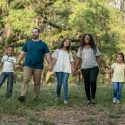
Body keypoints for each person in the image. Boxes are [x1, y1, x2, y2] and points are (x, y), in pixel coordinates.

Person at [16, 28, 52, 102]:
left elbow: (47, 55)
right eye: (32, 32)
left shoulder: (43, 44)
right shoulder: (27, 43)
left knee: (37, 82)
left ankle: (36, 97)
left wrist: (50, 64)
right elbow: (22, 53)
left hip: (38, 66)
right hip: (27, 65)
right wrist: (17, 62)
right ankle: (23, 96)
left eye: (35, 32)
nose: (34, 33)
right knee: (26, 80)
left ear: (39, 33)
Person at [74, 34, 101, 105]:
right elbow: (78, 59)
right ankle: (88, 99)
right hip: (84, 67)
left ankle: (93, 98)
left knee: (93, 80)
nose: (87, 39)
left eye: (89, 38)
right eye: (86, 38)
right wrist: (75, 69)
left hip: (94, 66)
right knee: (86, 82)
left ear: (90, 39)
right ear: (84, 39)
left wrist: (100, 66)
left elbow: (98, 57)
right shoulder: (81, 48)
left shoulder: (94, 47)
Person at [51, 38, 74, 104]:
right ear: (63, 42)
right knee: (59, 83)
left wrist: (73, 69)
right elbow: (54, 59)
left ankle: (65, 99)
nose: (67, 43)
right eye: (66, 41)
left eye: (68, 42)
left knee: (65, 83)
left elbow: (72, 61)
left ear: (69, 44)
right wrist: (51, 66)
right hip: (58, 69)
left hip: (66, 69)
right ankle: (57, 96)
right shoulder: (58, 50)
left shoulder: (69, 52)